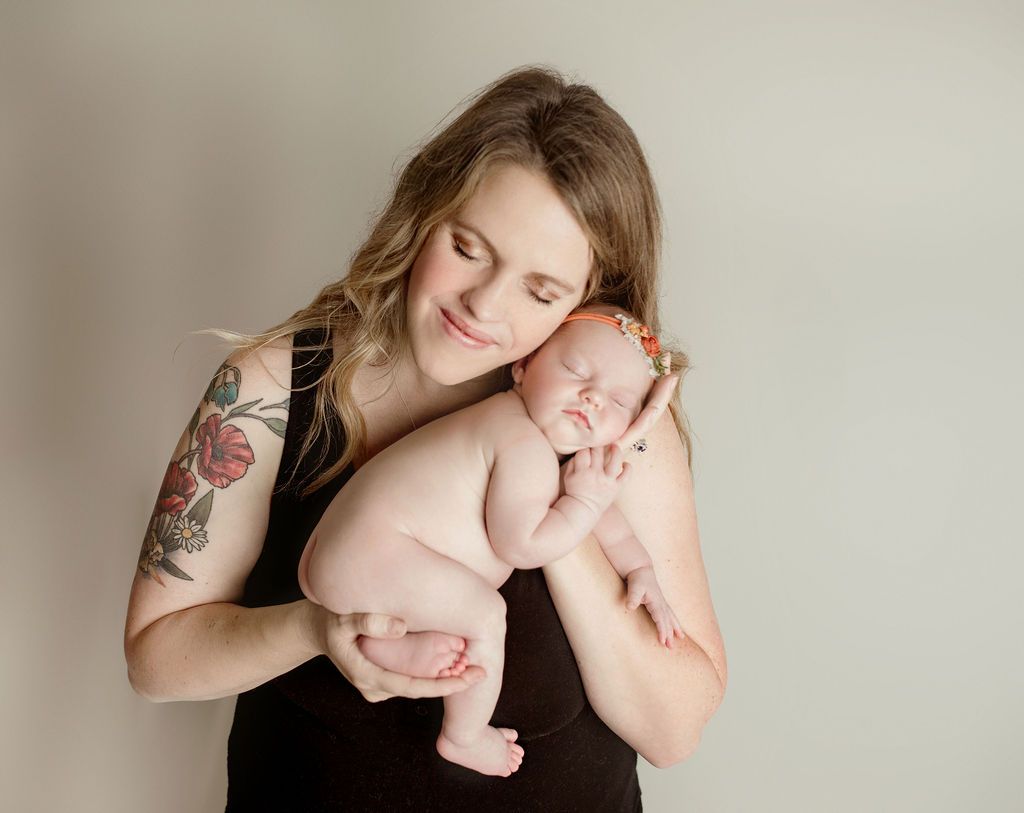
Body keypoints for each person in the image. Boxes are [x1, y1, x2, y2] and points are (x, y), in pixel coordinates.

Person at [124, 66, 727, 811]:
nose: (484, 304)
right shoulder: (269, 391)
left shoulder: (611, 429)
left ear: (588, 303)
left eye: (541, 291)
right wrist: (318, 628)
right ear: (423, 210)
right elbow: (156, 660)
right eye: (469, 247)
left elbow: (674, 731)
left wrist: (566, 484)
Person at [298, 306, 685, 777]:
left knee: (453, 617)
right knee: (484, 614)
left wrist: (639, 570)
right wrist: (582, 504)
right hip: (371, 555)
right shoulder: (519, 441)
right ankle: (463, 736)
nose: (593, 398)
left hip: (362, 559)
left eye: (620, 401)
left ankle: (388, 646)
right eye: (576, 371)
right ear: (524, 366)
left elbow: (605, 519)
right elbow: (521, 546)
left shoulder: (541, 446)